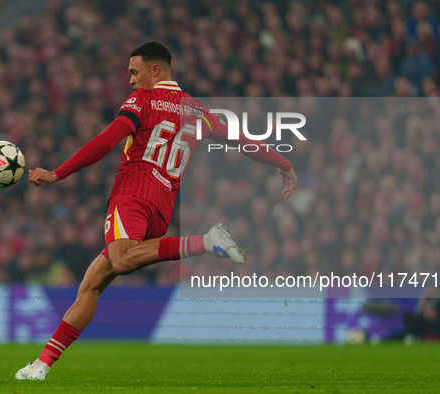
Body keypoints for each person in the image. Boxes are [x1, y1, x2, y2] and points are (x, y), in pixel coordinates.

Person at [15, 41, 297, 380]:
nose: (131, 80)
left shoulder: (142, 100)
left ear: (155, 70)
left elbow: (106, 141)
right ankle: (42, 365)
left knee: (120, 260)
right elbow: (241, 140)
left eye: (135, 72)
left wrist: (57, 173)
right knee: (91, 285)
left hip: (132, 196)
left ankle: (206, 241)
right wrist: (283, 163)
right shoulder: (197, 110)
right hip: (161, 210)